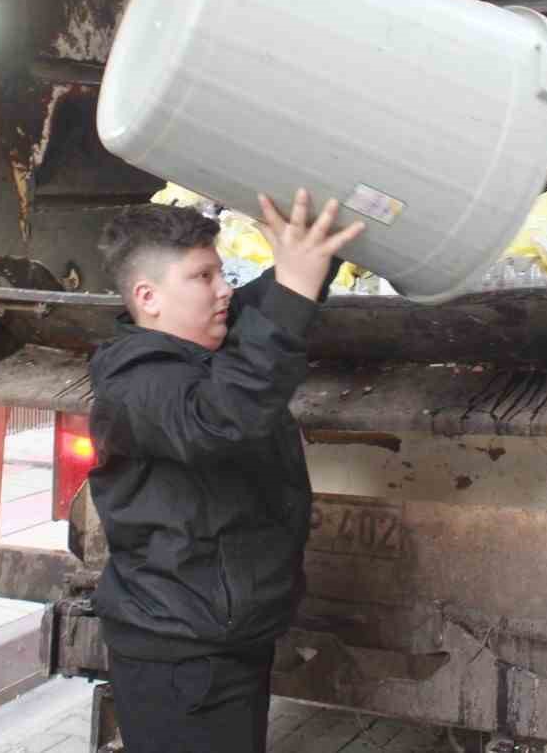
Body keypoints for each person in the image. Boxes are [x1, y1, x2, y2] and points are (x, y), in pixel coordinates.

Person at [86, 189, 363, 753]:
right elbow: (222, 418)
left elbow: (263, 306)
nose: (225, 289)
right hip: (183, 656)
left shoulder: (191, 347)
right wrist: (293, 288)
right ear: (149, 297)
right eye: (204, 277)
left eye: (222, 273)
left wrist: (316, 254)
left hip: (217, 635)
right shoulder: (138, 384)